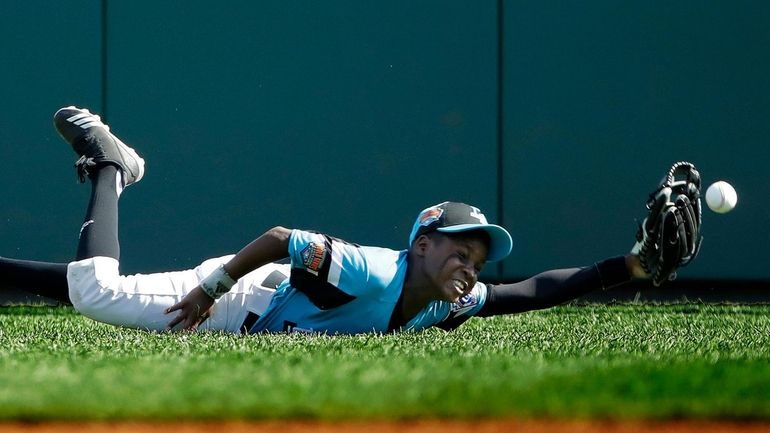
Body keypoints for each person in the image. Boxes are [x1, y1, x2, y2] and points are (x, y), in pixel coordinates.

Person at [0, 106, 650, 335]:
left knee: (117, 293)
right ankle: (110, 164)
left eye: (476, 259)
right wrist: (214, 288)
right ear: (422, 244)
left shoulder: (441, 299)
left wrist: (633, 265)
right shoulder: (374, 272)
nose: (470, 268)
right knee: (97, 294)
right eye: (457, 252)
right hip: (242, 299)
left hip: (255, 308)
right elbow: (283, 237)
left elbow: (532, 292)